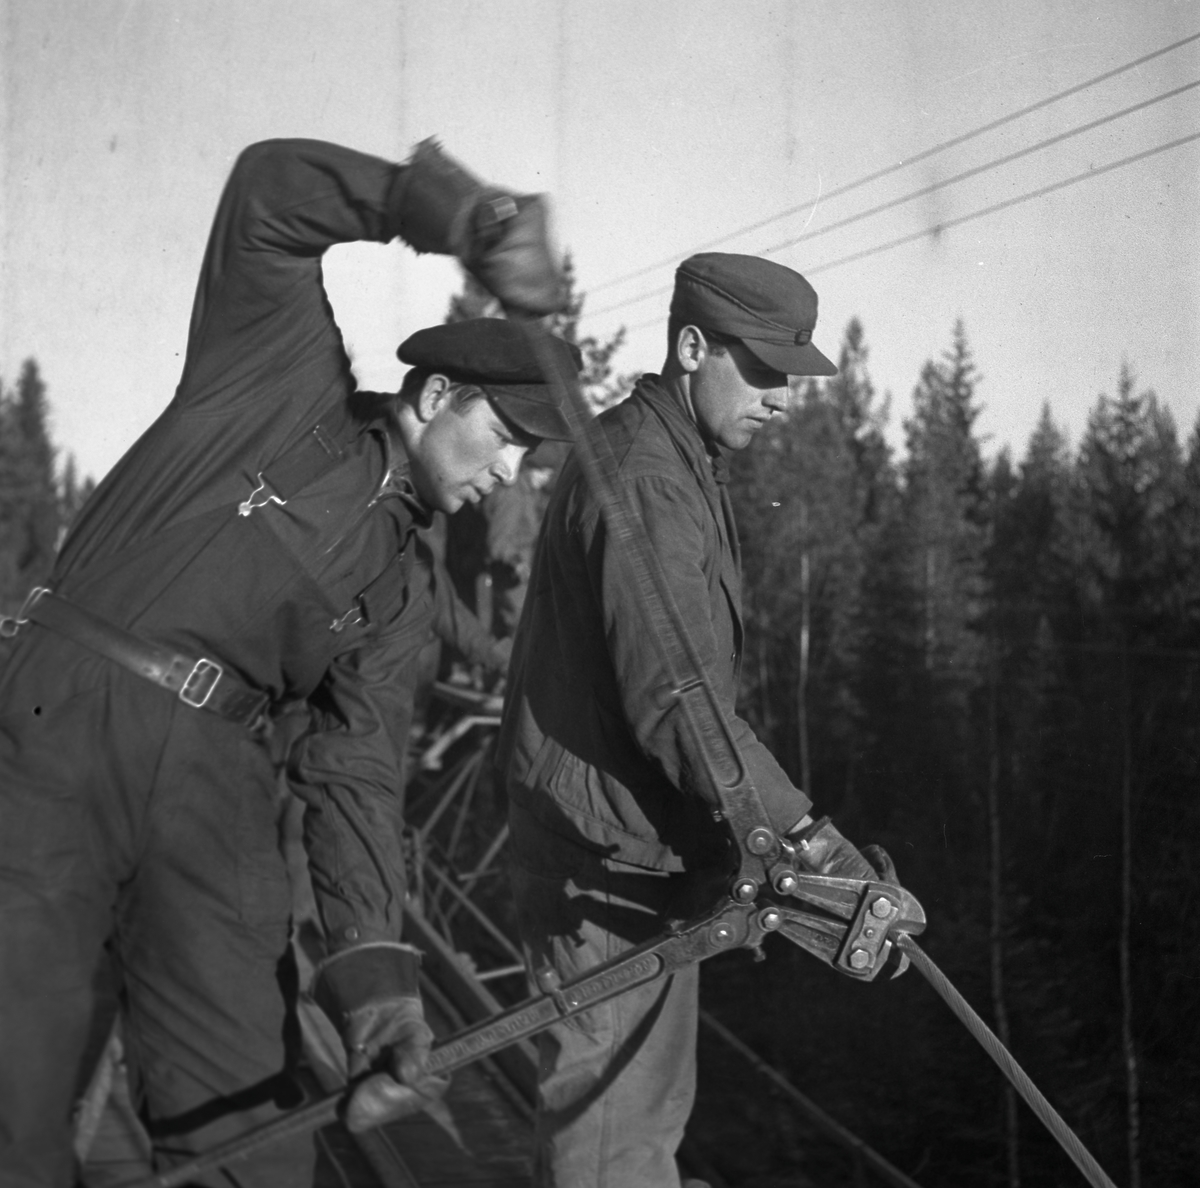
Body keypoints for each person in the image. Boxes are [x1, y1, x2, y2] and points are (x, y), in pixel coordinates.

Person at [0, 136, 580, 1188]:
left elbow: (355, 776)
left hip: (216, 784)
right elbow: (267, 199)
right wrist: (465, 217)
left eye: (528, 459)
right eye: (504, 436)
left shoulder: (402, 590)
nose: (508, 473)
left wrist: (379, 996)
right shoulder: (278, 379)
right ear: (435, 394)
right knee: (16, 1092)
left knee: (250, 1130)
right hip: (63, 723)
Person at [498, 253, 896, 1187]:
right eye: (763, 370)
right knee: (613, 1141)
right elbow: (678, 698)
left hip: (633, 856)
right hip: (603, 870)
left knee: (637, 1125)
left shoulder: (676, 460)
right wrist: (805, 839)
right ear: (690, 348)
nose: (782, 399)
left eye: (790, 377)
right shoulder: (647, 474)